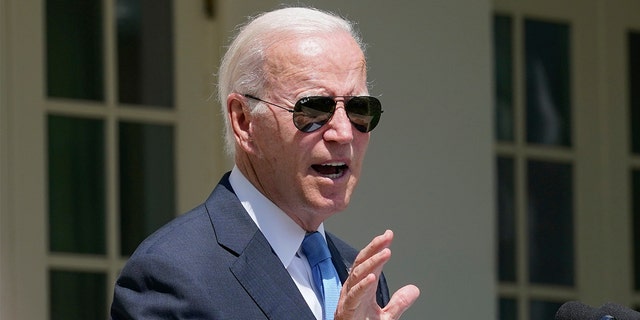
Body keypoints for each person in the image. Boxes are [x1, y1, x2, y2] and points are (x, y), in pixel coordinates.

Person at [110, 6, 420, 320]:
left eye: (358, 109)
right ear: (244, 121)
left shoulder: (359, 275)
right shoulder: (173, 273)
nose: (342, 133)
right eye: (313, 109)